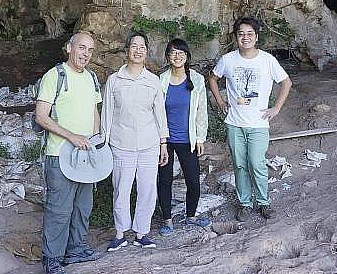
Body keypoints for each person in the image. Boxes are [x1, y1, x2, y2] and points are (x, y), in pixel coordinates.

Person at [208, 17, 292, 221]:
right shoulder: (228, 60)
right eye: (241, 34)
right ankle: (245, 203)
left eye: (249, 33)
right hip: (235, 123)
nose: (245, 37)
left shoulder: (267, 60)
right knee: (239, 164)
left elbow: (286, 82)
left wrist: (276, 108)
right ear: (236, 37)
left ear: (256, 36)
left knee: (256, 163)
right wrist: (221, 102)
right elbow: (212, 78)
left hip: (258, 123)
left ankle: (263, 202)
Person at [35, 32, 103, 274]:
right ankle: (52, 258)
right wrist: (72, 136)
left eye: (90, 50)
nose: (86, 54)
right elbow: (41, 117)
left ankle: (76, 249)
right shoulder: (54, 76)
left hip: (85, 154)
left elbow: (94, 111)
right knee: (59, 208)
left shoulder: (92, 78)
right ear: (69, 48)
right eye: (82, 48)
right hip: (60, 153)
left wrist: (96, 139)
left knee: (83, 206)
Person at [101, 31, 169, 251]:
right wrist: (104, 142)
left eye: (142, 47)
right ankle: (120, 233)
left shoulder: (153, 81)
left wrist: (163, 143)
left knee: (148, 189)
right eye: (134, 46)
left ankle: (142, 233)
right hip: (121, 145)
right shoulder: (114, 80)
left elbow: (160, 114)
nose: (138, 50)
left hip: (149, 145)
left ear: (147, 52)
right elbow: (107, 114)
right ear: (127, 51)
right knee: (121, 189)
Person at [157, 38, 210, 236]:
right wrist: (159, 139)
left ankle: (191, 216)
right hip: (165, 140)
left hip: (188, 138)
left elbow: (201, 110)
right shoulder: (161, 80)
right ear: (168, 57)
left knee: (193, 181)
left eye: (181, 52)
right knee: (164, 181)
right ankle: (167, 220)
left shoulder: (196, 79)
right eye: (173, 53)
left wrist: (200, 137)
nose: (177, 56)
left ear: (187, 56)